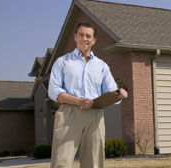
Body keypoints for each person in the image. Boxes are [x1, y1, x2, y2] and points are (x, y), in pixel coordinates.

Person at [48, 21, 128, 168]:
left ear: (94, 40)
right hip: (69, 114)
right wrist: (78, 101)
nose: (85, 39)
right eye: (81, 35)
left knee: (94, 163)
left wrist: (119, 94)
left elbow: (110, 89)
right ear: (75, 37)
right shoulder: (62, 62)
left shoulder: (102, 66)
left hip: (95, 115)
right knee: (61, 161)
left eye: (88, 36)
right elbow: (54, 92)